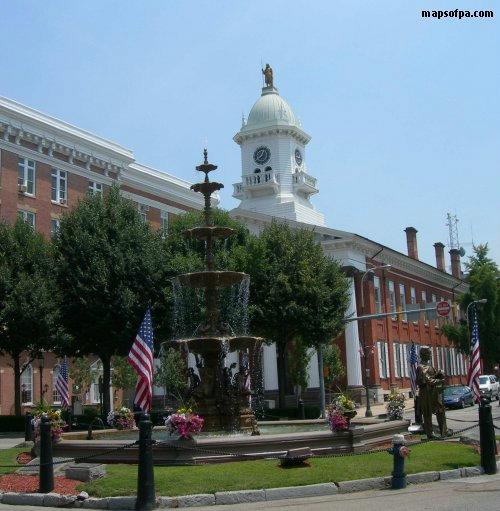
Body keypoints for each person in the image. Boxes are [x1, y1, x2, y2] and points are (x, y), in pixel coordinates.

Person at [416, 346, 447, 438]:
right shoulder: (421, 367)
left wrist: (439, 374)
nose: (430, 355)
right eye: (429, 353)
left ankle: (443, 431)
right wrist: (440, 381)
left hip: (434, 393)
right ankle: (430, 433)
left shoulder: (429, 366)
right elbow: (427, 380)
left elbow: (432, 377)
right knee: (427, 414)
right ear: (424, 354)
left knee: (440, 411)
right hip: (426, 394)